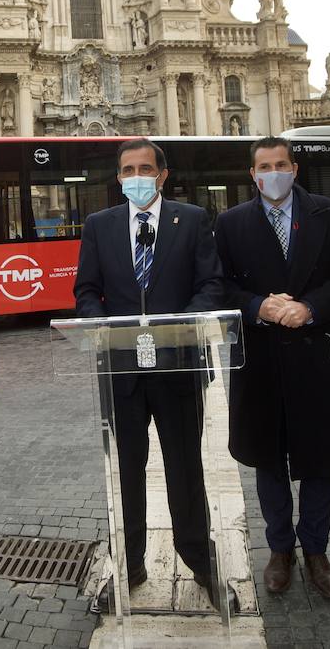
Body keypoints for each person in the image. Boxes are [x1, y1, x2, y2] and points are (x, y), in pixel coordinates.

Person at [213, 137, 330, 599]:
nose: (273, 173)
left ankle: (317, 551)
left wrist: (311, 308)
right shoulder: (231, 223)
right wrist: (260, 306)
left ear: (294, 169)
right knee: (268, 459)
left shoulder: (328, 213)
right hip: (260, 359)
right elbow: (219, 287)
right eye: (264, 166)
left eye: (281, 164)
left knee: (320, 459)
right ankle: (279, 551)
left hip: (318, 355)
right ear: (252, 175)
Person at [73, 139, 224, 603]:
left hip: (177, 369)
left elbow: (211, 285)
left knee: (185, 469)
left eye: (144, 168)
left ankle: (200, 562)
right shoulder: (100, 225)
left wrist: (178, 325)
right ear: (118, 178)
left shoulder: (193, 219)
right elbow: (86, 289)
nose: (135, 176)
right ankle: (130, 567)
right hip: (122, 373)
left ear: (162, 174)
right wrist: (97, 320)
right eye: (126, 170)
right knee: (128, 473)